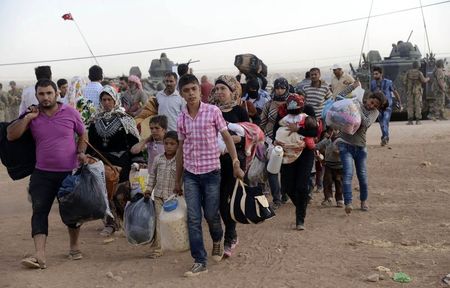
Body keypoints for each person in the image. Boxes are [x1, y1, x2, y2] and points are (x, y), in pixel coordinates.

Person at [7, 79, 88, 269]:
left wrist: (81, 151)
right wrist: (27, 118)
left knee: (71, 212)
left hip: (68, 172)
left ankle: (74, 247)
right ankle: (39, 254)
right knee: (39, 211)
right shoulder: (31, 115)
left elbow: (83, 134)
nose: (45, 97)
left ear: (56, 94)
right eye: (41, 94)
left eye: (49, 93)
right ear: (36, 96)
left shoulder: (70, 112)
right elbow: (11, 135)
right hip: (42, 173)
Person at [175, 74, 244, 277]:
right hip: (191, 175)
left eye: (193, 89)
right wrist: (177, 179)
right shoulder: (181, 118)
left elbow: (227, 138)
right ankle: (199, 260)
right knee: (194, 218)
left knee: (211, 214)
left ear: (199, 90)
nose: (190, 94)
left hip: (212, 172)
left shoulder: (213, 111)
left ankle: (217, 239)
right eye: (186, 91)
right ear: (182, 94)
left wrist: (235, 163)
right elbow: (180, 149)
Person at [87, 85, 142, 237]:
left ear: (115, 100)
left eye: (109, 99)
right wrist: (88, 159)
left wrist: (137, 161)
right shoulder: (94, 121)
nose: (106, 102)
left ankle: (127, 222)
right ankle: (111, 223)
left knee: (121, 194)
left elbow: (133, 141)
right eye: (103, 99)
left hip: (121, 160)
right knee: (105, 194)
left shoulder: (125, 119)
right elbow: (91, 144)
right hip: (102, 162)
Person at [211, 75, 249, 257]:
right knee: (217, 202)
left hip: (234, 162)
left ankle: (230, 237)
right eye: (216, 89)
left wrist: (235, 139)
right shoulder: (210, 110)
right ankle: (228, 235)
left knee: (229, 200)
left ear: (232, 91)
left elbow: (251, 135)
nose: (219, 92)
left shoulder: (240, 111)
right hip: (214, 162)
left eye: (222, 89)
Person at [336, 91, 386, 214]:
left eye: (376, 105)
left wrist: (357, 108)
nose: (372, 106)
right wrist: (352, 88)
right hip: (345, 144)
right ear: (369, 98)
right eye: (372, 102)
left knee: (362, 177)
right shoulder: (355, 102)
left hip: (360, 147)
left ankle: (363, 200)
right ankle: (348, 202)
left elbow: (366, 122)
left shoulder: (374, 112)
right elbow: (338, 97)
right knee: (347, 174)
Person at [272, 94, 318, 230]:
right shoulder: (282, 114)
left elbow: (314, 131)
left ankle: (300, 219)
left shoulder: (308, 111)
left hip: (305, 153)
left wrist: (298, 129)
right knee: (287, 186)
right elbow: (275, 131)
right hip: (286, 154)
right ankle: (301, 205)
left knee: (302, 186)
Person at [144, 131, 179, 258]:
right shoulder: (158, 159)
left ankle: (177, 243)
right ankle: (159, 248)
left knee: (174, 222)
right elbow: (152, 176)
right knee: (159, 222)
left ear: (178, 145)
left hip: (173, 198)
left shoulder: (180, 161)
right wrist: (148, 190)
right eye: (166, 143)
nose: (169, 146)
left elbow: (183, 178)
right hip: (159, 196)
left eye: (172, 144)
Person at [260, 77, 290, 206]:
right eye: (277, 88)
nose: (279, 91)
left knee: (286, 169)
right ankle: (276, 198)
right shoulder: (269, 104)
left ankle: (285, 194)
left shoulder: (291, 103)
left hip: (287, 140)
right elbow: (263, 122)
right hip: (270, 140)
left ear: (286, 89)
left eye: (282, 88)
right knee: (272, 170)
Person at [370, 66, 400, 146]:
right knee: (382, 123)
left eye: (376, 74)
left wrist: (399, 102)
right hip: (378, 107)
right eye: (374, 74)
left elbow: (395, 92)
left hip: (387, 106)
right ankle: (385, 136)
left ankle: (385, 137)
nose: (375, 76)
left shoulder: (388, 82)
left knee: (385, 121)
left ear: (381, 74)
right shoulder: (373, 83)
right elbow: (371, 95)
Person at [315, 127, 343, 207]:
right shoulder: (327, 141)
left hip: (340, 166)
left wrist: (339, 152)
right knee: (327, 182)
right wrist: (318, 155)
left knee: (339, 183)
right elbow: (317, 147)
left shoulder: (341, 141)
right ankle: (328, 198)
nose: (333, 132)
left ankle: (340, 200)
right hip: (328, 166)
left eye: (335, 130)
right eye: (330, 131)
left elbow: (346, 151)